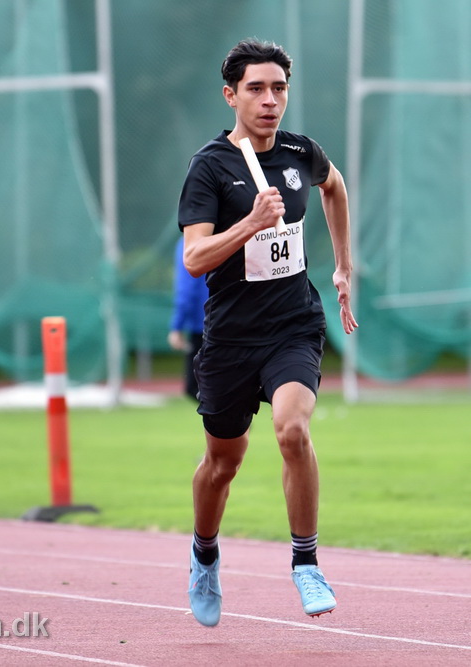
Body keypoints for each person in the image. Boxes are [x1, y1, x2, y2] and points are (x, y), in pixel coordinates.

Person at [176, 39, 357, 626]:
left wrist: (343, 265)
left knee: (292, 430)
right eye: (256, 89)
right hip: (230, 337)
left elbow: (334, 187)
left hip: (293, 325)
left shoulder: (302, 152)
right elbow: (195, 258)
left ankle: (306, 562)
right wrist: (251, 223)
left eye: (279, 88)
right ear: (231, 95)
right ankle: (205, 554)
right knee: (222, 463)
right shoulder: (210, 167)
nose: (270, 100)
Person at [167, 236, 209, 400]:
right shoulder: (227, 233)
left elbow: (187, 288)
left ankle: (232, 416)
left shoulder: (188, 242)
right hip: (229, 319)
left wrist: (177, 326)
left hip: (204, 326)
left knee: (196, 387)